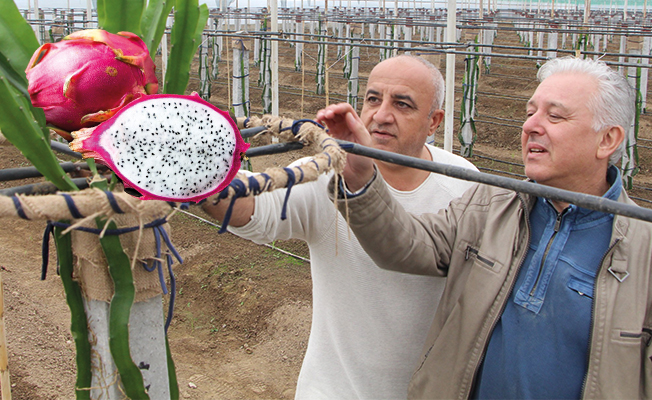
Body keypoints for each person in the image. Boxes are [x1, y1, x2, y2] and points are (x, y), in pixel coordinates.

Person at [321, 56, 652, 399]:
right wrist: (361, 178)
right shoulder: (490, 205)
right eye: (530, 113)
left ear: (608, 140)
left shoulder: (643, 250)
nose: (531, 126)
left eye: (554, 116)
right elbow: (405, 246)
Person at [202, 54, 478, 399]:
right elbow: (253, 206)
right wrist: (198, 171)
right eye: (373, 99)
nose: (381, 115)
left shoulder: (464, 184)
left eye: (402, 104)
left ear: (434, 121)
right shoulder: (325, 173)